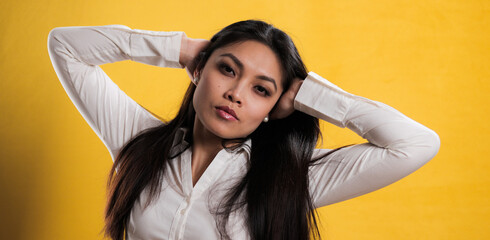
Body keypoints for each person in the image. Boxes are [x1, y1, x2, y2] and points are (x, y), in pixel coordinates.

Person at [47, 20, 440, 240]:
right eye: (227, 69)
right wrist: (179, 49)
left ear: (275, 106)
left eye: (261, 89)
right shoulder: (138, 140)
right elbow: (64, 45)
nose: (235, 94)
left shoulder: (291, 177)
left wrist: (310, 94)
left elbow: (416, 144)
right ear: (199, 71)